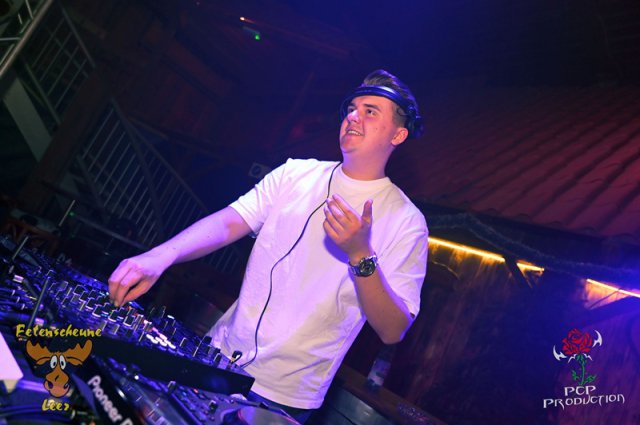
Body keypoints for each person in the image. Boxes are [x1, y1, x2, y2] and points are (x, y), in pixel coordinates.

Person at [108, 69, 428, 424]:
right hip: (215, 356)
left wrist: (359, 254)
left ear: (398, 134)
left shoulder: (406, 222)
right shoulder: (295, 173)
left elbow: (393, 328)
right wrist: (160, 256)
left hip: (282, 396)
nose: (353, 116)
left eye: (370, 111)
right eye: (351, 108)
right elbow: (228, 222)